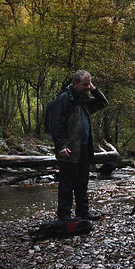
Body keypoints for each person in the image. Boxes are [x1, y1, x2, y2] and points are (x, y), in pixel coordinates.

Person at [49, 70, 109, 221]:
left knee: (82, 181)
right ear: (75, 84)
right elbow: (55, 125)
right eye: (85, 84)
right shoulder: (64, 99)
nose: (88, 87)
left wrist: (94, 89)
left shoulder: (84, 100)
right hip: (69, 149)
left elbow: (103, 103)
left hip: (84, 147)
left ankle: (83, 212)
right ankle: (64, 216)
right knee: (67, 184)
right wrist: (60, 146)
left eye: (89, 83)